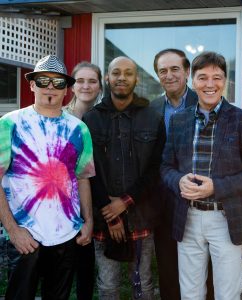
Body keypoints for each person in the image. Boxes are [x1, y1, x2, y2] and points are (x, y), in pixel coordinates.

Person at [161, 51, 242, 300]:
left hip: (226, 217)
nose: (210, 84)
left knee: (227, 293)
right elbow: (165, 166)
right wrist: (178, 181)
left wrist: (215, 187)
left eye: (217, 77)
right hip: (188, 216)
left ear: (225, 81)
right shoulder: (179, 120)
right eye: (203, 77)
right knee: (190, 293)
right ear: (192, 80)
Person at [0, 54, 95, 299]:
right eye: (43, 81)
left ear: (67, 89)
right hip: (25, 234)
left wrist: (88, 222)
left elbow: (82, 178)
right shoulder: (9, 124)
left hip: (67, 232)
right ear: (32, 85)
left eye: (58, 82)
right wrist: (12, 229)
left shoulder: (79, 129)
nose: (51, 87)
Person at [83, 56, 165, 300]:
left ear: (136, 79)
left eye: (128, 73)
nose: (122, 77)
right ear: (107, 78)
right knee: (108, 286)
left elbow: (155, 169)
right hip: (103, 218)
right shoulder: (91, 119)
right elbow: (88, 171)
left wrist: (125, 201)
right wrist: (110, 211)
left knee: (142, 284)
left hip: (140, 216)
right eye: (116, 72)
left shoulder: (153, 117)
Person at [151, 48, 198, 300]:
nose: (169, 75)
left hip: (197, 198)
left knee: (201, 269)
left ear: (187, 72)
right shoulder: (153, 108)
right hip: (163, 201)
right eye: (163, 71)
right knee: (168, 267)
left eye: (175, 69)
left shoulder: (203, 102)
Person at [65, 61, 103, 300]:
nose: (86, 86)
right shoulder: (59, 118)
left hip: (94, 200)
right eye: (80, 80)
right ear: (72, 86)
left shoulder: (103, 120)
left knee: (85, 269)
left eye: (92, 81)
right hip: (63, 203)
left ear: (100, 86)